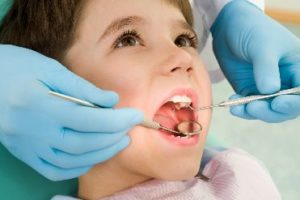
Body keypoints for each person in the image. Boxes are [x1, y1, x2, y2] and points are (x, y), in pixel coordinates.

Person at [0, 1, 282, 199]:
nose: (182, 58)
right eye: (128, 40)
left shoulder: (239, 174)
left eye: (183, 39)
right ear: (57, 86)